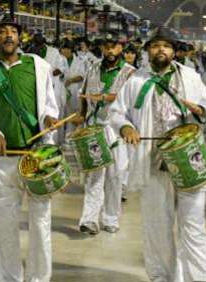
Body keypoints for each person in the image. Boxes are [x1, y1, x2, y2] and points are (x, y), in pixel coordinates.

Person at [109, 26, 206, 282]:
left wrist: (201, 110)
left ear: (174, 51)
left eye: (166, 46)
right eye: (156, 45)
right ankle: (163, 276)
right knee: (157, 226)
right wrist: (125, 126)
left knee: (193, 226)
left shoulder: (190, 77)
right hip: (153, 163)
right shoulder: (135, 81)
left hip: (189, 161)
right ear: (148, 51)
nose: (161, 50)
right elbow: (116, 111)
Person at [0, 16, 59, 281]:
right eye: (2, 32)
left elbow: (49, 103)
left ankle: (39, 278)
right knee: (6, 223)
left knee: (41, 222)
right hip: (7, 159)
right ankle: (9, 277)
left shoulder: (38, 65)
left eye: (13, 31)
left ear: (20, 37)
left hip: (37, 155)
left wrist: (48, 117)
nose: (9, 36)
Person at [71, 33, 135, 235]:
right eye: (107, 46)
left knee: (116, 177)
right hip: (94, 128)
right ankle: (89, 219)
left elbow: (130, 99)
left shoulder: (130, 73)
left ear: (121, 48)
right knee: (94, 175)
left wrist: (105, 97)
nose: (110, 51)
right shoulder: (93, 68)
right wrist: (81, 114)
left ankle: (111, 217)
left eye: (114, 46)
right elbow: (83, 94)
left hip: (117, 129)